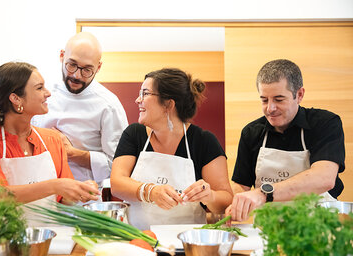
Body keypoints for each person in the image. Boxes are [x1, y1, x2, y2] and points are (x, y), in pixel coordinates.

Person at [0, 62, 100, 226]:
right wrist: (55, 186)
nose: (48, 93)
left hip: (50, 239)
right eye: (39, 88)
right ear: (15, 98)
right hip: (6, 241)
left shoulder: (52, 139)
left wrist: (80, 190)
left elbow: (63, 200)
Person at [110, 68, 233, 230]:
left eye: (145, 94)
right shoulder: (134, 134)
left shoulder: (204, 141)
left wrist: (209, 196)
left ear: (168, 104)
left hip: (188, 242)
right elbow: (117, 184)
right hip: (139, 238)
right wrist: (150, 191)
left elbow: (226, 200)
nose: (137, 100)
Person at [229, 59, 345, 222]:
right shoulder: (251, 133)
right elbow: (241, 185)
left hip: (319, 227)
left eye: (278, 99)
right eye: (264, 100)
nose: (270, 108)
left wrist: (263, 193)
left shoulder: (325, 123)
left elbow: (324, 178)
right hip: (269, 228)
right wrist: (239, 203)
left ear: (299, 95)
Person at [32, 32, 128, 185]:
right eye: (71, 65)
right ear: (62, 56)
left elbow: (119, 165)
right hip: (43, 191)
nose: (77, 75)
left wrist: (73, 154)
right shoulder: (42, 94)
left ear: (99, 67)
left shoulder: (108, 105)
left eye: (87, 70)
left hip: (86, 199)